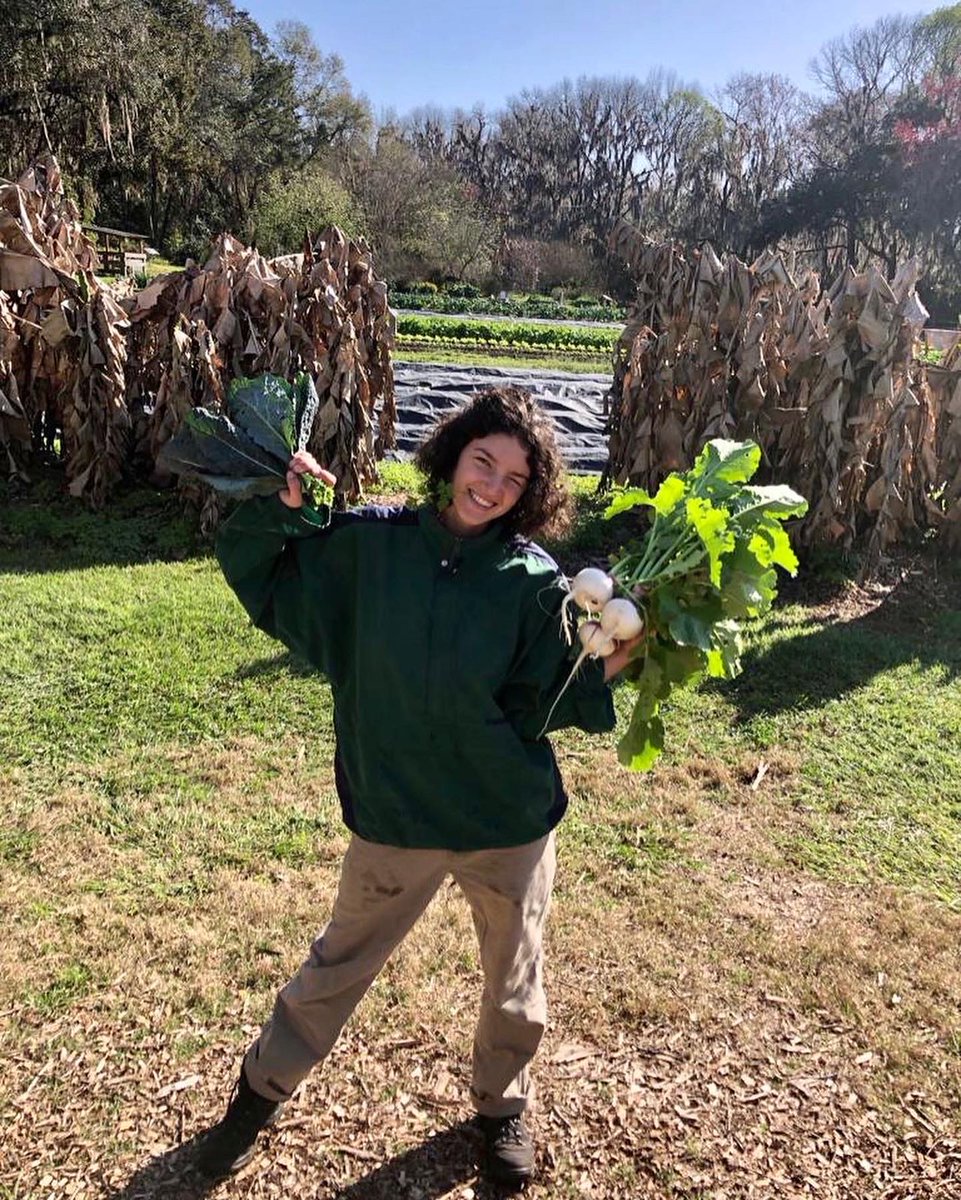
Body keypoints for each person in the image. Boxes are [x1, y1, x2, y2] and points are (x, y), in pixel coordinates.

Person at [196, 386, 642, 1188]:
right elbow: (264, 572)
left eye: (513, 478)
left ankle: (502, 1108)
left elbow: (546, 700)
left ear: (530, 494)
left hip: (504, 822)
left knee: (514, 978)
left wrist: (622, 653)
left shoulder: (532, 580)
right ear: (451, 456)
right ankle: (255, 1098)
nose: (492, 486)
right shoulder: (369, 548)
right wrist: (284, 511)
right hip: (395, 812)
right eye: (482, 461)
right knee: (336, 967)